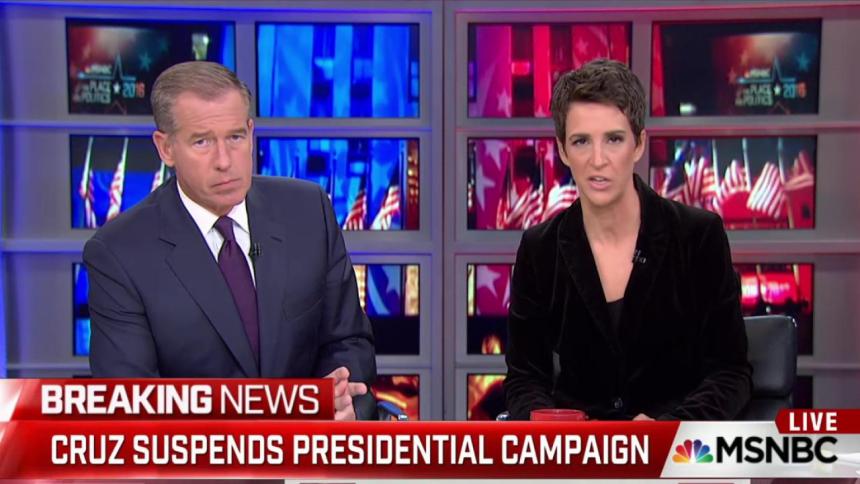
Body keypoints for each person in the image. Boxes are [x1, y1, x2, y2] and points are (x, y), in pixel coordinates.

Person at [84, 61, 376, 420]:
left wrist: (342, 404)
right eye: (202, 141)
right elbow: (132, 408)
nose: (224, 161)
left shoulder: (307, 210)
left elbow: (348, 342)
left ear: (251, 132)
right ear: (166, 148)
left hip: (313, 450)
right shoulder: (120, 253)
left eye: (235, 137)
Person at [503, 59, 752, 420]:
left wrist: (668, 430)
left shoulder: (697, 237)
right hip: (579, 451)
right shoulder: (540, 249)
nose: (598, 160)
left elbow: (731, 373)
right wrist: (557, 431)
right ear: (563, 150)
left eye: (614, 139)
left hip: (675, 448)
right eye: (581, 141)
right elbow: (524, 379)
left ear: (638, 145)